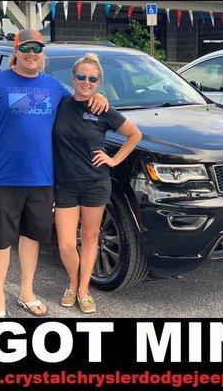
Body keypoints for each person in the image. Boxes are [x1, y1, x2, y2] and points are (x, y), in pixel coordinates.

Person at [0, 29, 109, 318]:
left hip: (43, 180)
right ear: (16, 51)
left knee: (32, 238)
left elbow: (81, 99)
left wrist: (100, 97)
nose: (32, 54)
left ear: (42, 53)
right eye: (26, 48)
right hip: (3, 178)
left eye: (37, 49)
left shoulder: (54, 87)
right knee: (0, 240)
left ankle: (26, 292)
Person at [53, 53, 142, 313]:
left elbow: (134, 134)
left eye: (92, 79)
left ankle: (82, 290)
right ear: (73, 77)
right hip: (65, 184)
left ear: (99, 82)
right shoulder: (61, 104)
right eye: (81, 76)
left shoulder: (102, 109)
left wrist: (113, 160)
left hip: (95, 183)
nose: (86, 82)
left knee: (90, 238)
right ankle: (73, 280)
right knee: (67, 244)